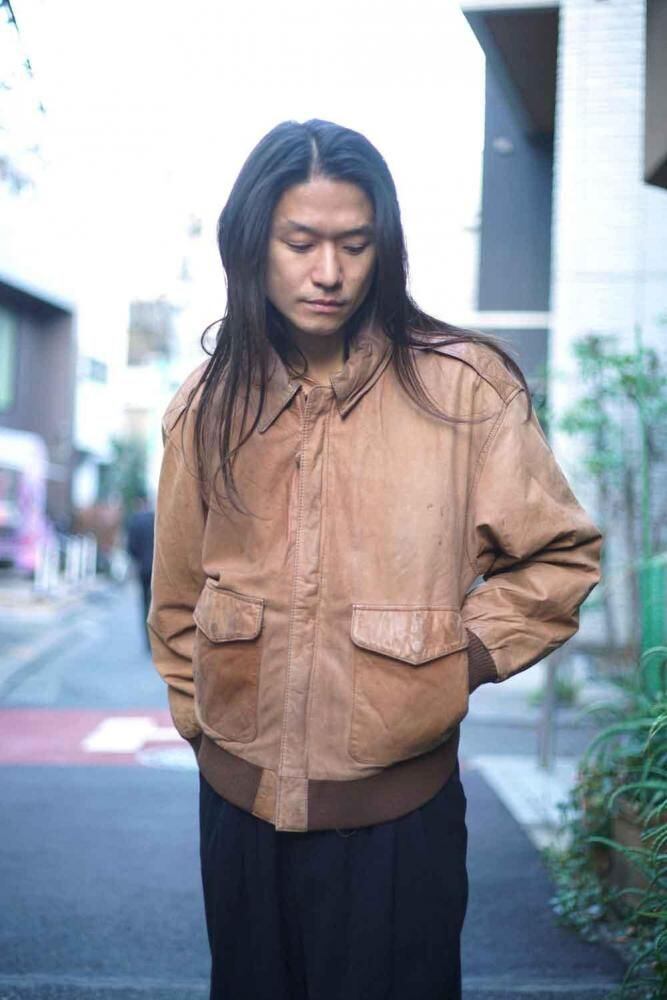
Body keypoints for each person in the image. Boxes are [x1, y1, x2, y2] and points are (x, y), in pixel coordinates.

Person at [147, 119, 602, 1000]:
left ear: (382, 248)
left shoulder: (462, 388)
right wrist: (204, 730)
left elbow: (557, 558)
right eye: (300, 243)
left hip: (401, 820)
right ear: (252, 244)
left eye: (353, 244)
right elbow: (176, 600)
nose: (328, 271)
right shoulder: (206, 406)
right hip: (237, 813)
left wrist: (452, 664)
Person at [126, 490, 155, 651]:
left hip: (143, 568)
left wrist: (137, 559)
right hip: (157, 568)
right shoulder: (155, 518)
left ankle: (148, 641)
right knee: (156, 603)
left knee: (144, 603)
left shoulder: (135, 521)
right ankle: (157, 638)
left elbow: (130, 547)